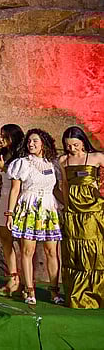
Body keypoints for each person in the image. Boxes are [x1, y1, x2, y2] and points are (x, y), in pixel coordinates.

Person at [6, 128, 64, 306]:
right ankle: (29, 290)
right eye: (29, 141)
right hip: (29, 207)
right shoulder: (22, 163)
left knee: (52, 251)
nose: (31, 144)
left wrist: (68, 206)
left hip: (48, 208)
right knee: (27, 251)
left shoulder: (52, 164)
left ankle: (54, 291)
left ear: (43, 143)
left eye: (35, 141)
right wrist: (10, 213)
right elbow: (15, 189)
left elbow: (56, 190)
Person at [59, 126, 104, 309]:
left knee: (94, 249)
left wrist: (100, 187)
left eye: (76, 145)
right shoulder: (63, 160)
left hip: (93, 209)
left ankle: (96, 295)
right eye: (69, 146)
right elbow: (63, 184)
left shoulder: (97, 157)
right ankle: (77, 296)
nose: (73, 149)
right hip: (72, 211)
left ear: (83, 142)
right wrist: (65, 205)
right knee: (74, 252)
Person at [0, 124, 24, 297]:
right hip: (4, 197)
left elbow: (20, 180)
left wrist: (4, 168)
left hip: (18, 200)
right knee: (5, 238)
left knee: (22, 241)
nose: (2, 139)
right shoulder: (3, 154)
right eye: (1, 136)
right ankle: (13, 276)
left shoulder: (23, 156)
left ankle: (26, 280)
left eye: (5, 136)